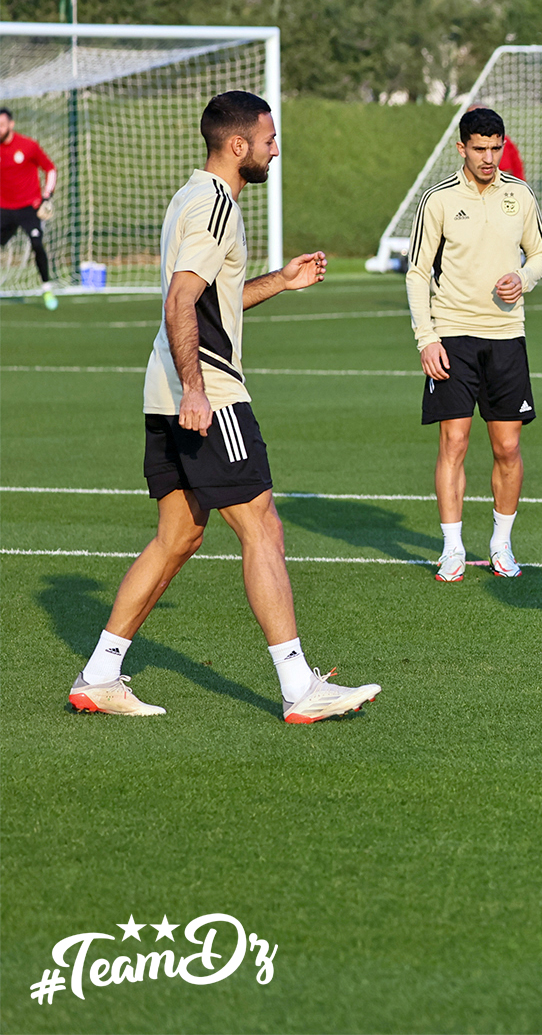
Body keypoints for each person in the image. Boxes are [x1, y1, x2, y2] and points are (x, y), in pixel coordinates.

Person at [66, 91, 379, 722]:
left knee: (178, 537)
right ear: (238, 145)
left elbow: (214, 299)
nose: (275, 148)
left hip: (168, 390)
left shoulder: (193, 197)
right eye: (268, 138)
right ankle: (299, 687)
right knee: (261, 522)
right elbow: (182, 302)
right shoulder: (215, 207)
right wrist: (197, 389)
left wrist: (282, 281)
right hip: (205, 392)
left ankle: (100, 673)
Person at [406, 106, 542, 581]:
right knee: (455, 440)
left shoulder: (520, 195)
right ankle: (451, 548)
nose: (489, 158)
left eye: (496, 148)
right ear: (462, 147)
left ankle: (501, 546)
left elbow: (541, 255)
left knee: (507, 447)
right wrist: (427, 338)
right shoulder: (438, 200)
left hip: (506, 336)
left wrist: (523, 278)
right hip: (452, 335)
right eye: (480, 149)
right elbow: (417, 272)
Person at [0, 107, 60, 309]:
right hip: (4, 209)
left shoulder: (27, 146)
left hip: (29, 208)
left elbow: (50, 168)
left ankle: (46, 288)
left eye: (2, 125)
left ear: (11, 124)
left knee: (36, 243)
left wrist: (46, 196)